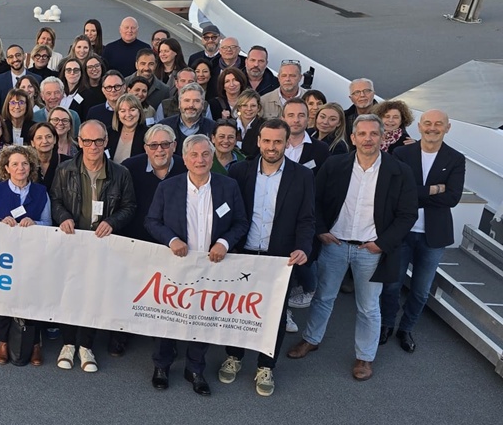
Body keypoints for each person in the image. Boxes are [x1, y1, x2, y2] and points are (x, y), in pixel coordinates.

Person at [287, 115, 419, 381]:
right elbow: (316, 200)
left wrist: (382, 243)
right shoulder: (336, 165)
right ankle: (311, 339)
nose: (368, 139)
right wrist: (322, 230)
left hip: (371, 250)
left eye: (373, 134)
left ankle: (365, 357)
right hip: (335, 244)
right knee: (324, 298)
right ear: (353, 138)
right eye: (362, 134)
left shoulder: (399, 171)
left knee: (369, 307)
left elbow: (407, 214)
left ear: (383, 138)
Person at [145, 134, 249, 395]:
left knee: (203, 317)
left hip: (213, 265)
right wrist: (171, 239)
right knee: (167, 314)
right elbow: (152, 221)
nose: (200, 159)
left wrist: (224, 242)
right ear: (185, 158)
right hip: (175, 264)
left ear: (212, 158)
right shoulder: (169, 187)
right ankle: (162, 365)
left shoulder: (228, 186)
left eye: (205, 155)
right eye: (194, 155)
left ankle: (195, 368)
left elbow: (240, 222)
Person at [219, 120, 315, 397]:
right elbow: (228, 213)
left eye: (278, 142)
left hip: (279, 259)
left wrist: (303, 248)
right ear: (258, 141)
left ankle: (265, 365)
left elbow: (307, 219)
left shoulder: (302, 177)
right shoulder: (239, 171)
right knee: (236, 309)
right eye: (267, 141)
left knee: (273, 314)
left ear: (286, 142)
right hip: (243, 254)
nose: (272, 147)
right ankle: (234, 356)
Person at [50, 120, 137, 364]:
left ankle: (86, 345)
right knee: (69, 291)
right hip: (72, 241)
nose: (93, 146)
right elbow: (55, 200)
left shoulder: (121, 173)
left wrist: (113, 222)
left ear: (106, 142)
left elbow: (130, 206)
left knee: (93, 294)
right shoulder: (65, 170)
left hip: (102, 244)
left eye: (98, 140)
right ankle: (68, 343)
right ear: (79, 142)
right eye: (87, 141)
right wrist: (64, 217)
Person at [379, 109, 465, 353]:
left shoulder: (456, 158)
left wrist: (416, 193)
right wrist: (434, 190)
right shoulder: (402, 153)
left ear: (447, 128)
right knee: (392, 285)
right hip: (402, 231)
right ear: (419, 126)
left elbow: (452, 197)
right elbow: (395, 192)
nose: (432, 127)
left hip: (434, 236)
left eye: (439, 124)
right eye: (428, 123)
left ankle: (406, 328)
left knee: (420, 290)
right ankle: (386, 325)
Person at [0, 144, 52, 366]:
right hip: (5, 256)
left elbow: (49, 223)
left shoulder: (41, 192)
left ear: (31, 166)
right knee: (4, 297)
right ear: (6, 168)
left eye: (25, 163)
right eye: (15, 164)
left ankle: (35, 343)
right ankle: (3, 341)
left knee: (34, 296)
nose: (20, 168)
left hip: (33, 256)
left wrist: (36, 223)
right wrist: (1, 223)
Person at [107, 93, 146, 165]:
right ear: (117, 114)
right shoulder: (108, 133)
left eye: (132, 110)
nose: (128, 114)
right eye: (123, 111)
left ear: (139, 111)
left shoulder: (148, 135)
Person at [0, 45, 29, 112]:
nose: (15, 59)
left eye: (18, 55)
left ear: (24, 56)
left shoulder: (36, 78)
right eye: (11, 57)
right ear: (7, 61)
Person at [233, 89, 265, 156]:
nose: (249, 109)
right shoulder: (230, 125)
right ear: (239, 107)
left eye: (253, 106)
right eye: (245, 105)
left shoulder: (264, 127)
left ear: (258, 108)